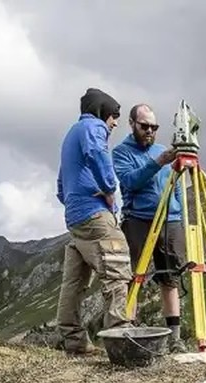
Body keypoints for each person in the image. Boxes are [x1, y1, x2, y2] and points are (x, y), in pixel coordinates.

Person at [54, 87, 134, 355]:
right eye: (114, 117)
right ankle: (121, 337)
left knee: (74, 281)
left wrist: (76, 203)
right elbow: (98, 155)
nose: (114, 124)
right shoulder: (93, 127)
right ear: (103, 111)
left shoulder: (70, 136)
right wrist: (109, 189)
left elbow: (60, 188)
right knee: (117, 269)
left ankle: (74, 341)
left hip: (75, 217)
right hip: (95, 214)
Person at [111, 103, 188, 353]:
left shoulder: (161, 151)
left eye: (154, 127)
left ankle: (174, 339)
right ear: (132, 124)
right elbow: (130, 181)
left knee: (171, 278)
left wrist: (177, 209)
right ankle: (129, 333)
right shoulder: (121, 153)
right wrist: (157, 162)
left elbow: (174, 183)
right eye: (144, 126)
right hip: (138, 220)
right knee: (134, 278)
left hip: (170, 219)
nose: (150, 131)